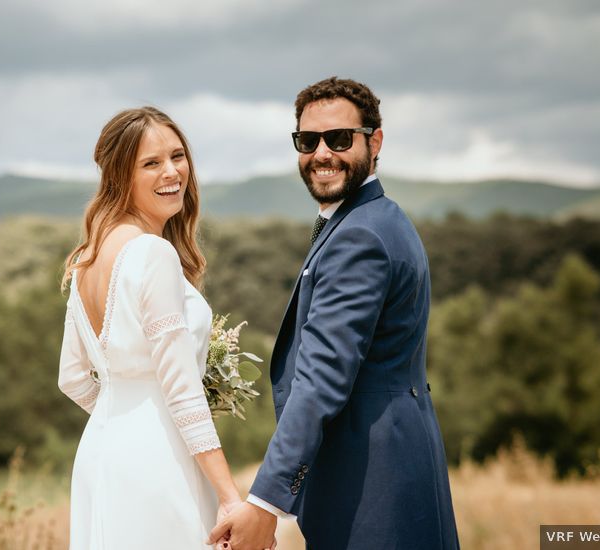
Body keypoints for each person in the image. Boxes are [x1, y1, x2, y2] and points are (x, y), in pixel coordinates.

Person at [209, 77, 460, 549]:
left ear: (374, 141)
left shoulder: (358, 237)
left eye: (339, 139)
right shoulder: (377, 219)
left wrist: (265, 504)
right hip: (395, 464)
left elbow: (321, 378)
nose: (322, 153)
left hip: (372, 479)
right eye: (308, 141)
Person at [58, 106, 252, 550]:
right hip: (159, 461)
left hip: (101, 455)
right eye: (151, 163)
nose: (172, 172)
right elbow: (181, 390)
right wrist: (229, 498)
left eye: (178, 156)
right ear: (120, 176)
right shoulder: (153, 254)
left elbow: (71, 378)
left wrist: (123, 419)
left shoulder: (87, 257)